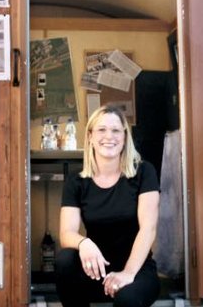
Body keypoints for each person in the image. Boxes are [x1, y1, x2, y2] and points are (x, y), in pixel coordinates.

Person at [55, 105, 161, 307]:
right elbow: (66, 233)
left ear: (124, 137)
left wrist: (127, 273)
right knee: (65, 260)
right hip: (95, 270)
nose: (109, 136)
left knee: (127, 299)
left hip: (136, 271)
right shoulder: (76, 181)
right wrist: (84, 243)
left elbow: (148, 229)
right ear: (90, 137)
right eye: (101, 130)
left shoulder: (143, 172)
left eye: (115, 130)